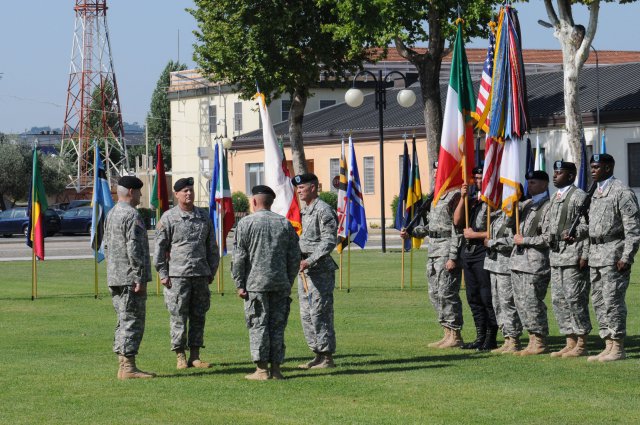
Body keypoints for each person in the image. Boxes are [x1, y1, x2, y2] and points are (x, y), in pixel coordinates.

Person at [574, 154, 640, 362]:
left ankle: (618, 346)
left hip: (614, 255)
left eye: (597, 167)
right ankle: (608, 344)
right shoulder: (594, 193)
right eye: (591, 167)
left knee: (613, 301)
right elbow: (592, 226)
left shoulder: (622, 192)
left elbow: (633, 229)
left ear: (609, 168)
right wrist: (575, 232)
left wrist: (627, 257)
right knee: (599, 301)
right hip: (596, 255)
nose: (593, 170)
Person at [232, 185, 301, 380]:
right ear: (271, 202)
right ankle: (277, 369)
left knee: (258, 325)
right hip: (280, 284)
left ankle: (261, 370)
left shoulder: (245, 224)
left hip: (255, 285)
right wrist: (288, 279)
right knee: (277, 326)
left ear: (254, 201)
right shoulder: (285, 224)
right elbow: (294, 257)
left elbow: (239, 258)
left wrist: (239, 283)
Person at [155, 177, 219, 369]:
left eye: (191, 190)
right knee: (178, 316)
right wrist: (163, 273)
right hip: (177, 275)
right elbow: (159, 249)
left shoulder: (203, 216)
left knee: (199, 315)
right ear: (176, 194)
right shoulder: (168, 218)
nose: (189, 194)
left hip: (200, 274)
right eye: (185, 191)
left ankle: (195, 355)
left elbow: (211, 247)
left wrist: (211, 270)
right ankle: (180, 355)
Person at [401, 161, 464, 349]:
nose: (436, 173)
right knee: (434, 293)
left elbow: (457, 229)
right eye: (434, 170)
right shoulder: (436, 196)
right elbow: (432, 227)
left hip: (446, 250)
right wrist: (412, 232)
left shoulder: (455, 196)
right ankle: (446, 332)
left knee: (447, 293)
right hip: (433, 251)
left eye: (440, 170)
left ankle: (456, 334)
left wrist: (453, 256)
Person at [104, 176, 154, 379]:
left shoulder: (111, 213)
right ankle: (128, 367)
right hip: (129, 278)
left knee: (123, 320)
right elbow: (135, 249)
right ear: (131, 192)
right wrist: (139, 277)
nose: (141, 195)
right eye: (139, 191)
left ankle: (122, 364)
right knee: (132, 320)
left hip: (115, 276)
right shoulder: (131, 215)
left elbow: (105, 246)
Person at [543, 161, 591, 358]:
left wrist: (585, 255)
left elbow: (589, 226)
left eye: (559, 173)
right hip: (556, 257)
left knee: (575, 299)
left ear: (571, 176)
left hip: (573, 256)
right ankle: (569, 340)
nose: (555, 176)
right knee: (559, 300)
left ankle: (581, 342)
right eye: (554, 172)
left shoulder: (580, 197)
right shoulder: (554, 197)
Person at [292, 173, 339, 369]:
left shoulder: (323, 210)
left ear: (313, 187)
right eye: (298, 188)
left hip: (319, 270)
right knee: (307, 314)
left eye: (302, 187)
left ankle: (327, 356)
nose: (299, 190)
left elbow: (329, 240)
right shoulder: (304, 212)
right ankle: (317, 354)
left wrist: (310, 260)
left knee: (320, 312)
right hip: (304, 271)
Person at [453, 166, 498, 351]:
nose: (478, 181)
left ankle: (491, 336)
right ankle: (480, 335)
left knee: (486, 296)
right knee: (473, 297)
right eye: (476, 178)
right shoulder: (472, 201)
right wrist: (463, 198)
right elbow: (457, 221)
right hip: (469, 253)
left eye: (481, 177)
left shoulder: (494, 202)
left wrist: (475, 235)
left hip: (483, 252)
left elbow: (498, 230)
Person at [510, 170, 551, 356]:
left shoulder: (548, 206)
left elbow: (548, 238)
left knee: (533, 302)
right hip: (519, 261)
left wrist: (525, 241)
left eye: (533, 182)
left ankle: (540, 340)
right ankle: (532, 340)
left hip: (536, 262)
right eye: (528, 183)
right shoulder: (525, 205)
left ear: (544, 184)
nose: (529, 186)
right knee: (521, 303)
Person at [484, 206, 522, 354]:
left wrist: (492, 243)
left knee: (508, 303)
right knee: (497, 303)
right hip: (494, 264)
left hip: (506, 265)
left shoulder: (514, 213)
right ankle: (506, 337)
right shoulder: (497, 215)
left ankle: (514, 338)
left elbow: (514, 239)